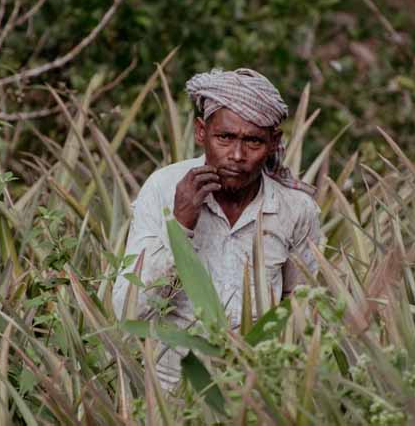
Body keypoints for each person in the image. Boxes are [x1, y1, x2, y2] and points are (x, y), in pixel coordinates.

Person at [112, 68, 322, 388]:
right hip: (169, 390)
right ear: (201, 132)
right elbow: (128, 310)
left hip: (255, 389)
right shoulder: (163, 189)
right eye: (225, 138)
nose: (237, 155)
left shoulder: (295, 209)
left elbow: (302, 309)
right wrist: (181, 223)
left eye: (252, 141)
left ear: (273, 143)